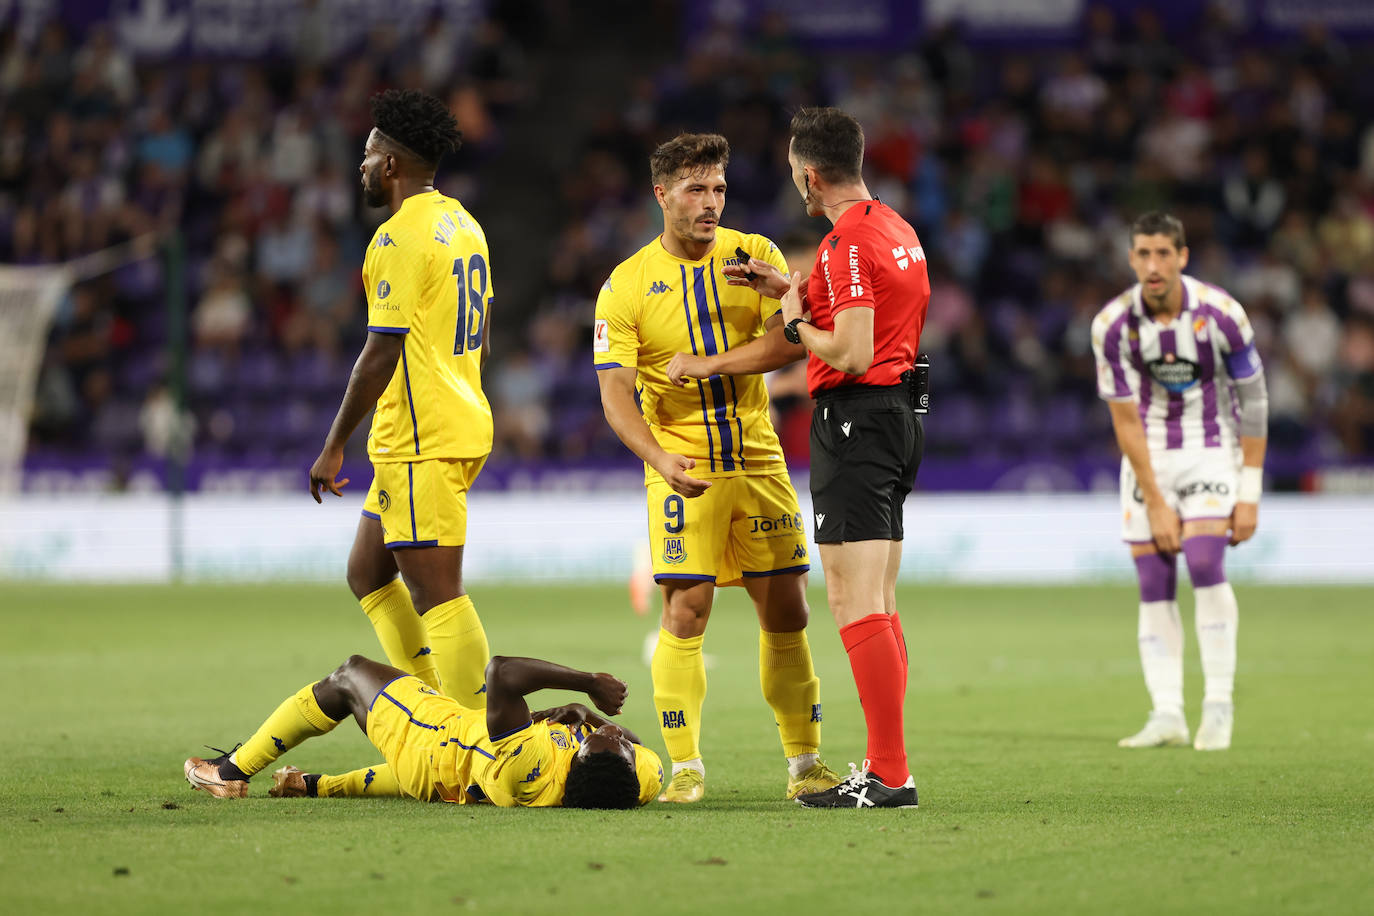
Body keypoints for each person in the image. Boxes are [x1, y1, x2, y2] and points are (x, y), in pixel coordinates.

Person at [667, 108, 929, 809]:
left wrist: (792, 320)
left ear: (811, 176)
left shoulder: (843, 244)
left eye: (793, 175)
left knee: (851, 601)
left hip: (857, 423)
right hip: (901, 417)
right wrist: (790, 292)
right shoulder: (896, 228)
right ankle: (887, 763)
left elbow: (850, 350)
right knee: (881, 600)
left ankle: (889, 774)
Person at [595, 132, 841, 804]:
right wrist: (656, 457)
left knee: (786, 610)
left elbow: (790, 341)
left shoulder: (753, 254)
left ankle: (805, 765)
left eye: (719, 189)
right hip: (681, 458)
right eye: (696, 190)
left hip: (758, 456)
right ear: (662, 194)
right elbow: (615, 390)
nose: (711, 203)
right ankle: (685, 768)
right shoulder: (625, 285)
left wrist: (712, 364)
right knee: (687, 610)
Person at [307, 89, 494, 709]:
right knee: (367, 572)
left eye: (367, 155)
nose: (360, 166)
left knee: (438, 593)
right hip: (444, 423)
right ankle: (433, 698)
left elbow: (381, 351)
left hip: (425, 437)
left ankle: (475, 737)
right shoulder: (463, 223)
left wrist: (334, 446)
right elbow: (483, 341)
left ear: (390, 165)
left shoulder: (398, 239)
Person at [1091, 211, 1267, 752]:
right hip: (1149, 456)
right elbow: (1124, 419)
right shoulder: (1113, 325)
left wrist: (1250, 491)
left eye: (1163, 253)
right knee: (1153, 580)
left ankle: (1218, 704)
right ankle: (1167, 712)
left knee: (1207, 561)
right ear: (1130, 259)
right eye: (1142, 254)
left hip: (1211, 448)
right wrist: (1158, 499)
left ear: (1183, 256)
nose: (1152, 265)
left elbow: (1254, 401)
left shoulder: (1222, 314)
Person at [183, 653, 663, 809]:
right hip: (446, 770)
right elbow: (633, 749)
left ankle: (229, 770)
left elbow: (501, 673)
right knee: (414, 768)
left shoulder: (526, 764)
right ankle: (308, 785)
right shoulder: (634, 780)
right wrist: (593, 723)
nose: (620, 736)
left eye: (604, 740)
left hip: (429, 739)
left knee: (349, 676)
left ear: (579, 760)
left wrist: (587, 686)